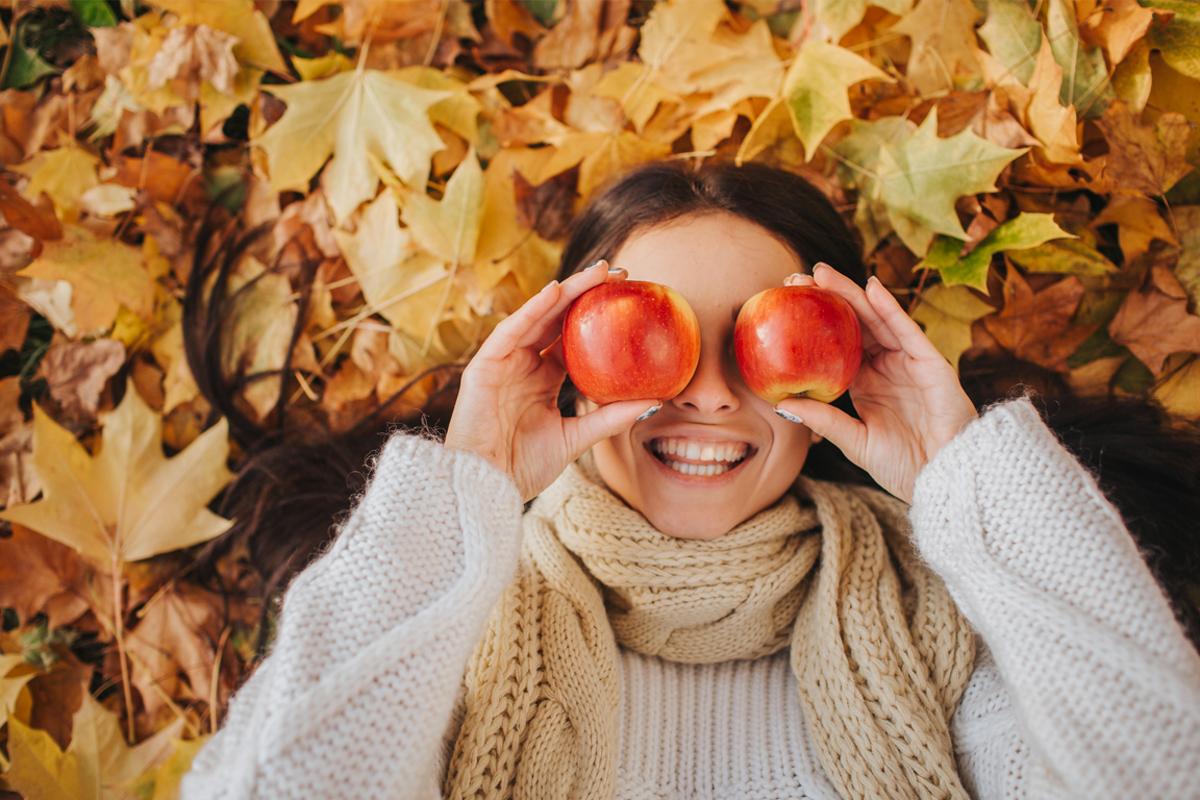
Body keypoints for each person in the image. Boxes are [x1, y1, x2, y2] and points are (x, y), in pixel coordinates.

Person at [180, 160, 1200, 799]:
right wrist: (466, 481)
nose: (706, 395)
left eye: (752, 346)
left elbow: (1162, 768)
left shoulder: (956, 631)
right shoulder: (445, 635)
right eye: (656, 340)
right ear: (566, 365)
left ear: (844, 372)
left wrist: (966, 475)